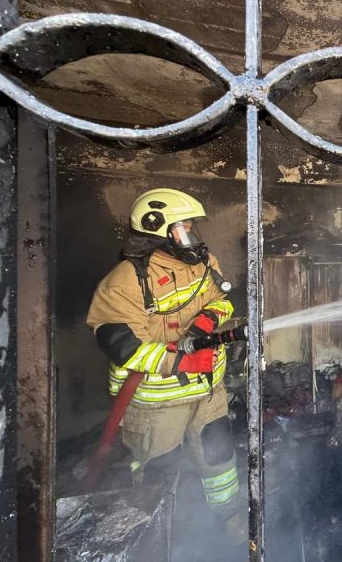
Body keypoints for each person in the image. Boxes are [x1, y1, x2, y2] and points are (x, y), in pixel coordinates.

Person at [86, 188, 244, 543]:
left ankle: (229, 518)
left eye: (192, 228)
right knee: (159, 471)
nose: (192, 236)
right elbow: (122, 347)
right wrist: (179, 358)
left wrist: (206, 321)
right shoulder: (124, 282)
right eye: (184, 228)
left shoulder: (205, 264)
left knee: (219, 460)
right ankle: (163, 536)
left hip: (208, 391)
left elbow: (223, 302)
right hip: (157, 402)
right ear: (157, 232)